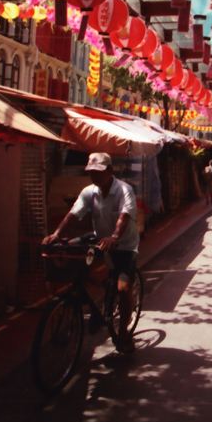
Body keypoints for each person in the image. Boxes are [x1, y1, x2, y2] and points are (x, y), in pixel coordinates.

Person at [42, 152, 138, 354]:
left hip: (124, 244)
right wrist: (57, 234)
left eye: (99, 172)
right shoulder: (89, 192)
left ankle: (123, 332)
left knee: (123, 289)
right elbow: (73, 215)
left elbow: (124, 216)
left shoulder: (124, 189)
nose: (95, 177)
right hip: (100, 238)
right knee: (70, 250)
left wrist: (114, 237)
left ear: (110, 171)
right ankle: (91, 306)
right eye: (92, 173)